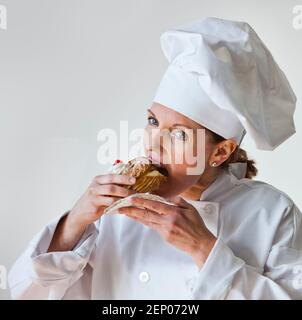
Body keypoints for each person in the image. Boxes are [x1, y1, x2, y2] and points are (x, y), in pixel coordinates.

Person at [8, 17, 302, 299]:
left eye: (179, 135)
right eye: (152, 122)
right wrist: (75, 221)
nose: (154, 145)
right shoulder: (117, 210)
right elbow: (25, 292)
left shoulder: (273, 214)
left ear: (220, 151)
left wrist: (205, 250)